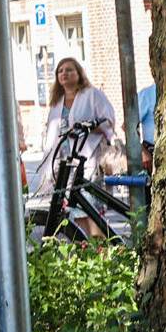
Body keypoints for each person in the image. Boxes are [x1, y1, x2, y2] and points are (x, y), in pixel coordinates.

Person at [39, 56, 116, 235]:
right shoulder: (57, 102)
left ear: (79, 74)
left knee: (91, 209)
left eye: (69, 70)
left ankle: (101, 251)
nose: (64, 73)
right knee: (74, 211)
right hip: (65, 163)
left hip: (88, 159)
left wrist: (89, 127)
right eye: (60, 71)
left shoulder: (91, 94)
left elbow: (108, 120)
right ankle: (86, 250)